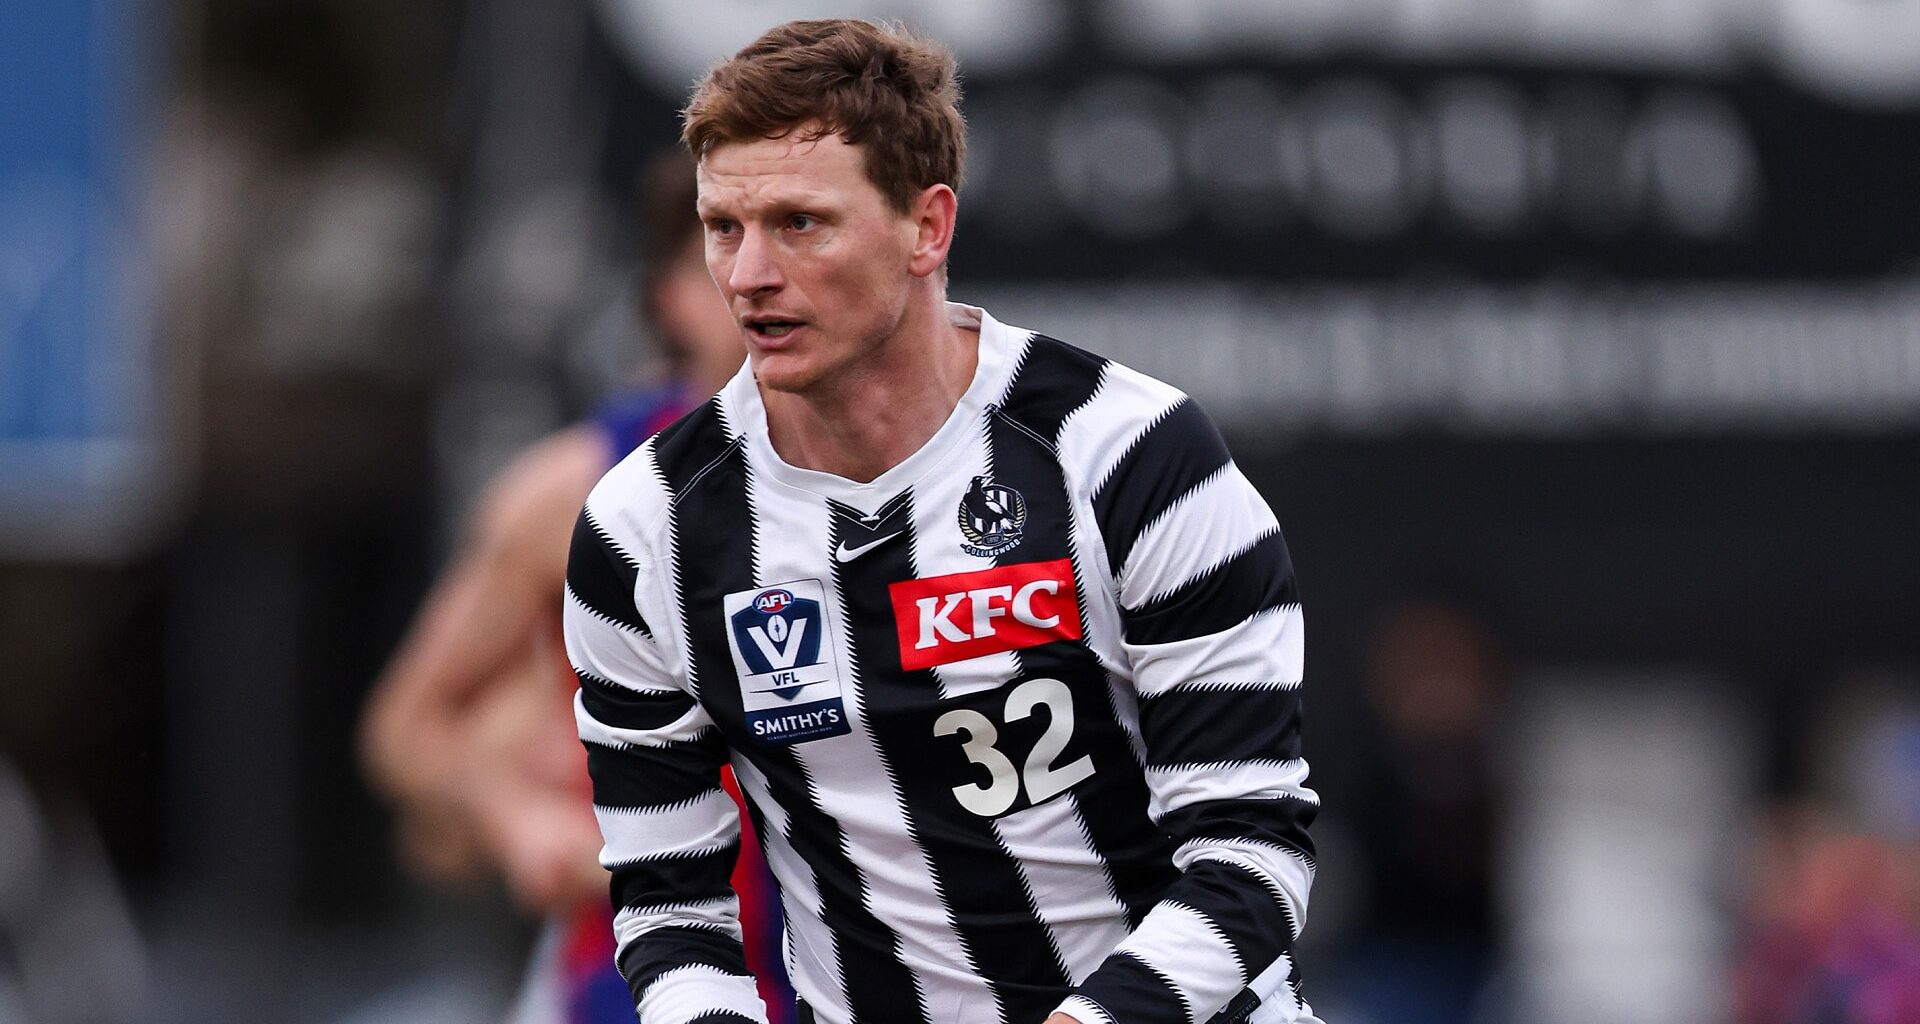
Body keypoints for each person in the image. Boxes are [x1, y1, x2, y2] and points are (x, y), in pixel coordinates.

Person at [564, 19, 1322, 1024]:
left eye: (800, 223)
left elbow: (1250, 851)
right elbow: (670, 907)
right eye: (724, 227)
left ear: (928, 228)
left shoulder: (1130, 455)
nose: (748, 275)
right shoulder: (643, 527)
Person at [360, 153, 793, 1024]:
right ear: (669, 296)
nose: (763, 282)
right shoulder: (578, 492)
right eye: (721, 249)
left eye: (798, 240)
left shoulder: (931, 481)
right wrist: (516, 815)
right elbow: (405, 727)